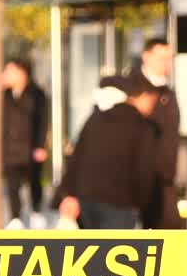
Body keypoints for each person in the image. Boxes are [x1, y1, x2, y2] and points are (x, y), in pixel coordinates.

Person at [58, 76, 160, 229]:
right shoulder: (141, 126)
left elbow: (77, 158)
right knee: (116, 248)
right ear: (141, 97)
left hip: (86, 199)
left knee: (90, 250)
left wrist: (67, 194)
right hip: (121, 203)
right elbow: (144, 169)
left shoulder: (94, 119)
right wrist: (142, 203)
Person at [134, 38, 184, 229]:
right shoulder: (134, 88)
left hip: (164, 178)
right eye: (161, 58)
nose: (166, 63)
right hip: (139, 178)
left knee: (171, 232)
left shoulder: (167, 93)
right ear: (146, 57)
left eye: (169, 58)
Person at [1, 59, 49, 228]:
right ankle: (15, 217)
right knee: (12, 184)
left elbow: (43, 121)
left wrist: (40, 145)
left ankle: (36, 211)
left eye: (11, 71)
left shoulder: (36, 94)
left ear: (23, 72)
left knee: (34, 182)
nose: (7, 75)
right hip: (9, 148)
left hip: (30, 147)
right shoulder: (4, 94)